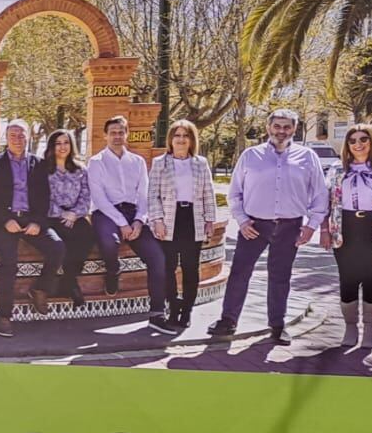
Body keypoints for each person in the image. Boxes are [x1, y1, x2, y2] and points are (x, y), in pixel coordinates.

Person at [208, 108, 326, 345]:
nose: (281, 131)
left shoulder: (308, 157)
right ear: (268, 128)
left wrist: (312, 225)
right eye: (277, 126)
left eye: (287, 127)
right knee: (240, 274)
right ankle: (228, 321)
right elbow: (235, 193)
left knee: (280, 276)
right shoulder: (250, 156)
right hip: (254, 225)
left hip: (290, 226)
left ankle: (277, 325)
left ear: (294, 129)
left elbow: (320, 194)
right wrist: (241, 221)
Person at [319, 124, 372, 349]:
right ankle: (351, 327)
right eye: (352, 140)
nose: (358, 144)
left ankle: (370, 329)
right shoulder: (336, 169)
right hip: (344, 229)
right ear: (347, 145)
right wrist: (324, 230)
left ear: (371, 142)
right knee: (348, 278)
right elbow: (325, 202)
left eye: (363, 139)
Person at [88, 115, 172, 330]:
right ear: (105, 135)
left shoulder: (138, 162)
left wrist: (138, 221)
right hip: (105, 213)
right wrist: (121, 223)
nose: (117, 136)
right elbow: (99, 199)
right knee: (110, 243)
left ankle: (157, 313)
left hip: (133, 214)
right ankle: (113, 270)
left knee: (157, 257)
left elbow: (144, 195)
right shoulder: (96, 162)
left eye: (121, 132)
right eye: (113, 132)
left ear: (127, 134)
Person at [0, 120, 57, 337]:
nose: (17, 139)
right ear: (6, 138)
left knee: (57, 248)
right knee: (9, 261)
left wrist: (37, 222)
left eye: (21, 135)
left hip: (31, 219)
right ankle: (4, 317)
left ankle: (40, 289)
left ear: (28, 138)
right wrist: (5, 220)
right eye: (13, 135)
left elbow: (45, 198)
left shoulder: (39, 164)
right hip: (3, 222)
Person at [147, 118, 218, 330]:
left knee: (190, 268)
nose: (180, 140)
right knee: (168, 268)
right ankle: (173, 306)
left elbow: (208, 193)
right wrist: (157, 221)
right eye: (176, 136)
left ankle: (187, 310)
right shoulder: (160, 163)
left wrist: (209, 220)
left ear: (191, 140)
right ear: (170, 139)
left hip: (192, 219)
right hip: (169, 220)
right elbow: (152, 195)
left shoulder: (200, 163)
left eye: (185, 136)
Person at [36, 128, 96, 304]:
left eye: (66, 142)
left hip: (75, 215)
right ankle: (71, 285)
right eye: (58, 143)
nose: (62, 147)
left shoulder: (80, 169)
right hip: (52, 215)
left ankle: (69, 281)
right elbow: (41, 196)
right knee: (64, 239)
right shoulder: (43, 168)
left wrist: (74, 214)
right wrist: (62, 214)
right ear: (51, 146)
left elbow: (86, 196)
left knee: (87, 236)